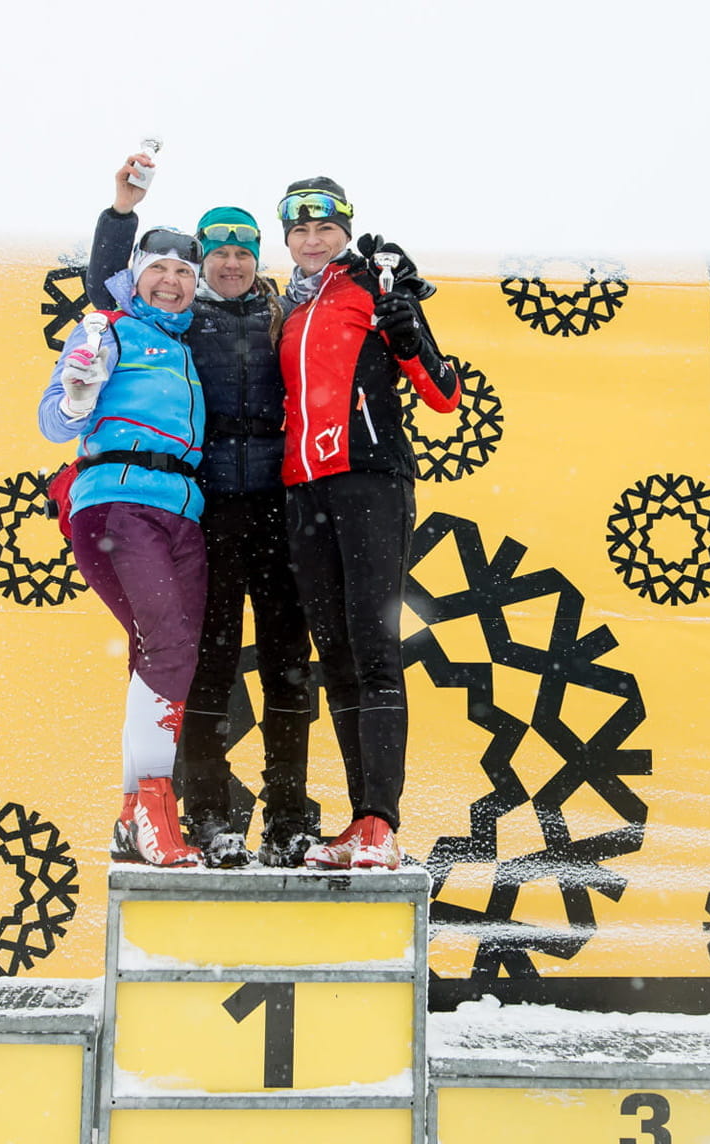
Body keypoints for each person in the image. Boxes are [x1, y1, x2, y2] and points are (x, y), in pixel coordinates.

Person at [87, 155, 319, 868]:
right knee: (209, 666)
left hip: (279, 512)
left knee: (288, 666)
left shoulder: (286, 313)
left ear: (257, 260)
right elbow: (109, 291)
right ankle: (211, 814)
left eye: (241, 252)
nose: (229, 264)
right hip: (211, 512)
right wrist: (121, 215)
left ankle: (287, 818)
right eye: (216, 252)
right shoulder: (183, 322)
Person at [274, 177, 460, 871]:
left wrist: (407, 328)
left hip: (371, 480)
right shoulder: (286, 308)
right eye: (300, 230)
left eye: (326, 228)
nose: (313, 239)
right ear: (286, 238)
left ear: (345, 230)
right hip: (304, 493)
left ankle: (381, 822)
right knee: (340, 658)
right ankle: (359, 825)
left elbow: (443, 393)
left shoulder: (376, 287)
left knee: (375, 649)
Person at [39, 226, 208, 868]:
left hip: (184, 512)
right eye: (159, 270)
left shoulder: (188, 345)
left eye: (183, 274)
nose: (171, 281)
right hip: (118, 500)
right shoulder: (106, 330)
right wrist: (80, 393)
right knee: (166, 645)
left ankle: (131, 811)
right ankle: (153, 807)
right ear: (135, 276)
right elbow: (54, 420)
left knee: (163, 653)